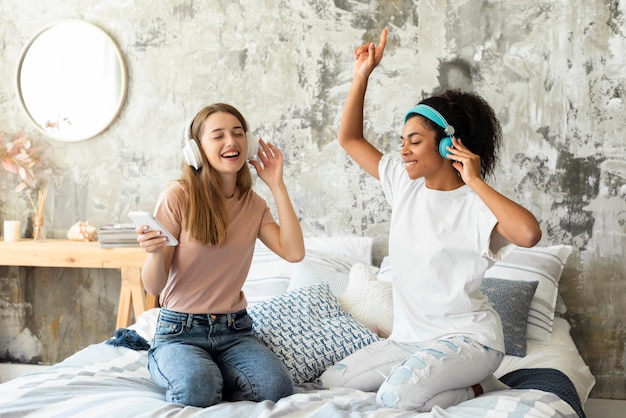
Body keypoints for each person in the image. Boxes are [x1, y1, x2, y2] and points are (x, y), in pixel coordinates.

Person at [319, 29, 542, 412]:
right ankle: (461, 384)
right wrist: (362, 75)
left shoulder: (476, 205)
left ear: (446, 144)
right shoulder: (404, 186)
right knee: (332, 380)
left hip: (470, 341)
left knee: (395, 397)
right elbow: (350, 139)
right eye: (402, 140)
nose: (402, 150)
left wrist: (473, 178)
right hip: (409, 340)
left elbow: (528, 234)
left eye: (414, 141)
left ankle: (478, 387)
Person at [136, 103, 305, 407]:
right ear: (196, 150)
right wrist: (152, 254)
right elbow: (153, 287)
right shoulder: (178, 196)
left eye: (238, 134)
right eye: (218, 136)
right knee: (198, 389)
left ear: (249, 143)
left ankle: (213, 372)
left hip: (235, 330)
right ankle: (178, 365)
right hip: (180, 331)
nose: (232, 142)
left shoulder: (253, 204)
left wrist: (277, 185)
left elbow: (293, 252)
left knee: (276, 387)